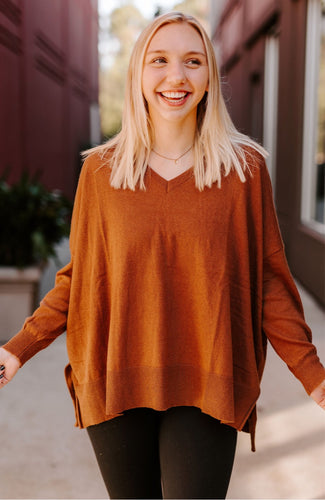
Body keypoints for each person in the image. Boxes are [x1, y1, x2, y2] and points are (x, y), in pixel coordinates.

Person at [1, 11, 324, 500]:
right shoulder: (102, 172)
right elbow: (80, 279)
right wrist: (16, 350)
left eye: (193, 61)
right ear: (138, 73)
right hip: (115, 376)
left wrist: (314, 377)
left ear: (210, 76)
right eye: (160, 60)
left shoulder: (243, 170)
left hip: (209, 380)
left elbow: (268, 284)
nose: (176, 76)